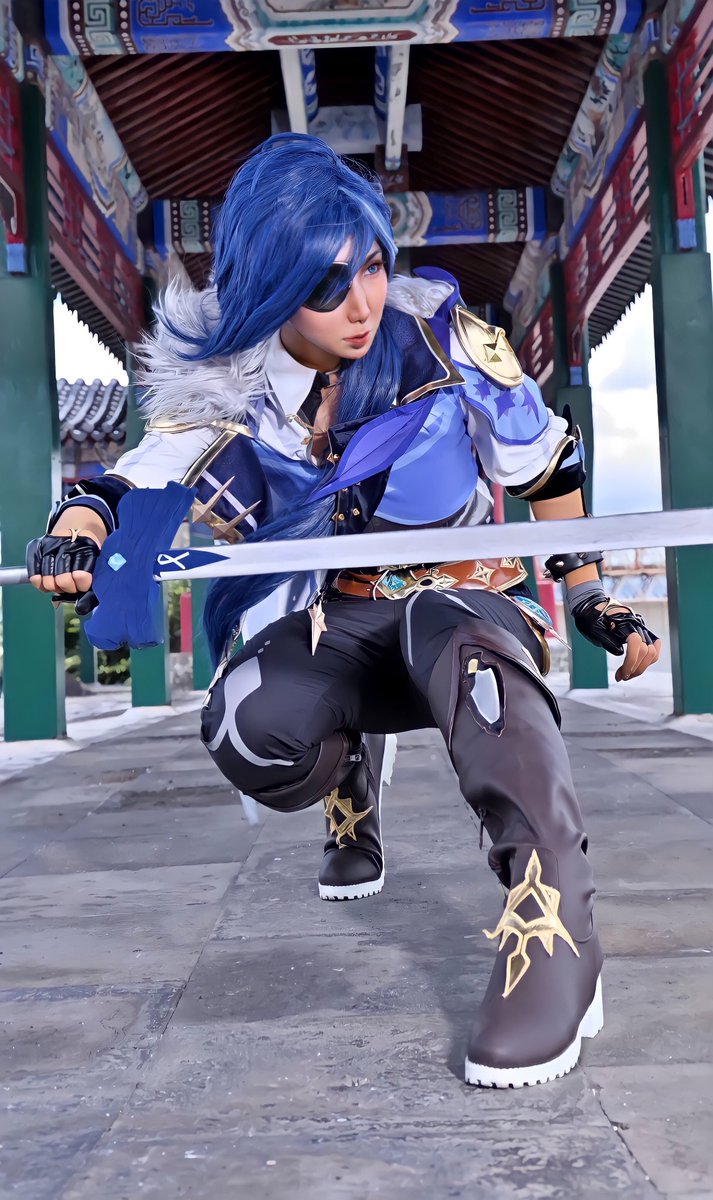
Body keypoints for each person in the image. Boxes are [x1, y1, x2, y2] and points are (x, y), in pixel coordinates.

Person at [27, 134, 660, 1087]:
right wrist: (76, 524)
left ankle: (554, 922)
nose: (362, 303)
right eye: (326, 286)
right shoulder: (229, 379)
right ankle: (346, 786)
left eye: (370, 266)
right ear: (270, 286)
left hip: (464, 603)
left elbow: (545, 467)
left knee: (474, 662)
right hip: (344, 621)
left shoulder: (440, 336)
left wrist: (588, 595)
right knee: (249, 725)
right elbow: (135, 477)